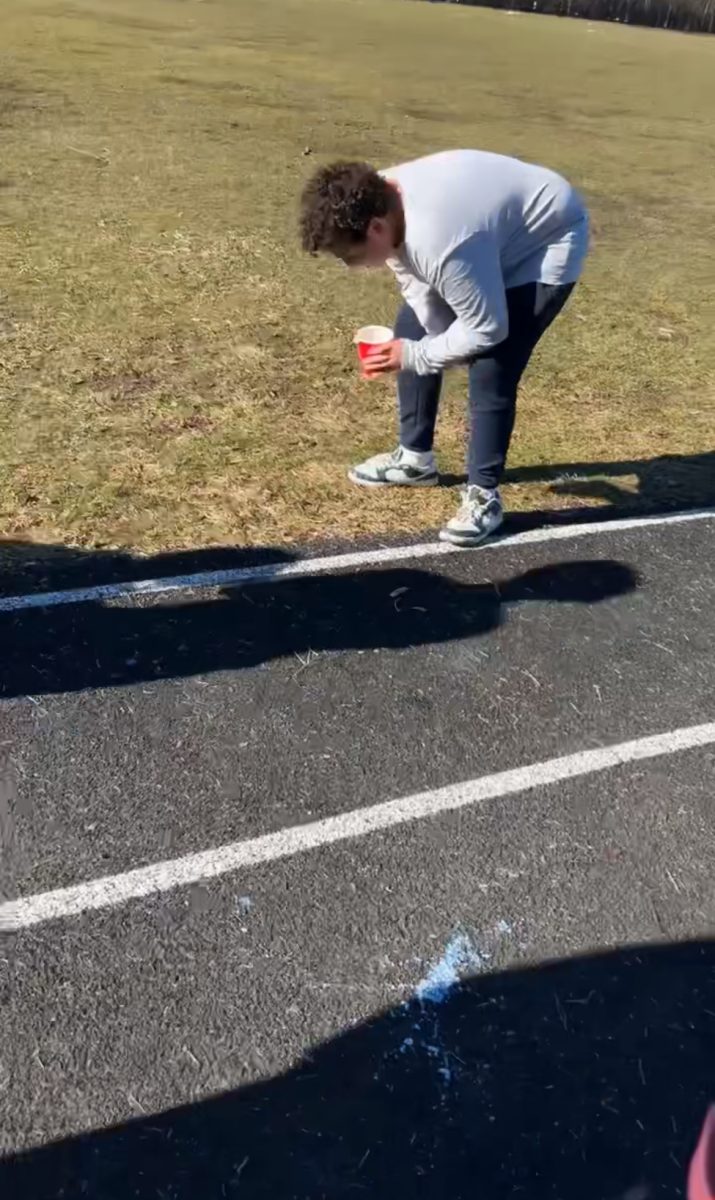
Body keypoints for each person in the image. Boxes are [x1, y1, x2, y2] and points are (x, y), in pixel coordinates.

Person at [300, 149, 589, 545]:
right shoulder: (374, 197)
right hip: (486, 229)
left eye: (351, 255)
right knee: (411, 325)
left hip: (547, 238)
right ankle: (415, 461)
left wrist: (419, 354)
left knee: (493, 365)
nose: (352, 266)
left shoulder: (441, 239)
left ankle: (484, 495)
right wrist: (435, 342)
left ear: (376, 228)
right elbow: (412, 279)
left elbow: (487, 329)